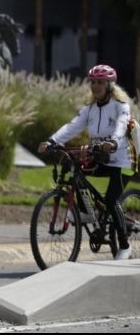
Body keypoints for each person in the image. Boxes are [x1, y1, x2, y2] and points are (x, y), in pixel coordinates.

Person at [37, 64, 133, 261]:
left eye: (100, 83)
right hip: (101, 157)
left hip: (123, 160)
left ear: (109, 85)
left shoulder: (120, 106)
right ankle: (85, 212)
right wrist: (52, 141)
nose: (95, 86)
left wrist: (113, 142)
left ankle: (124, 245)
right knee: (74, 168)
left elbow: (122, 126)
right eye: (93, 82)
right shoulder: (89, 110)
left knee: (111, 200)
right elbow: (72, 127)